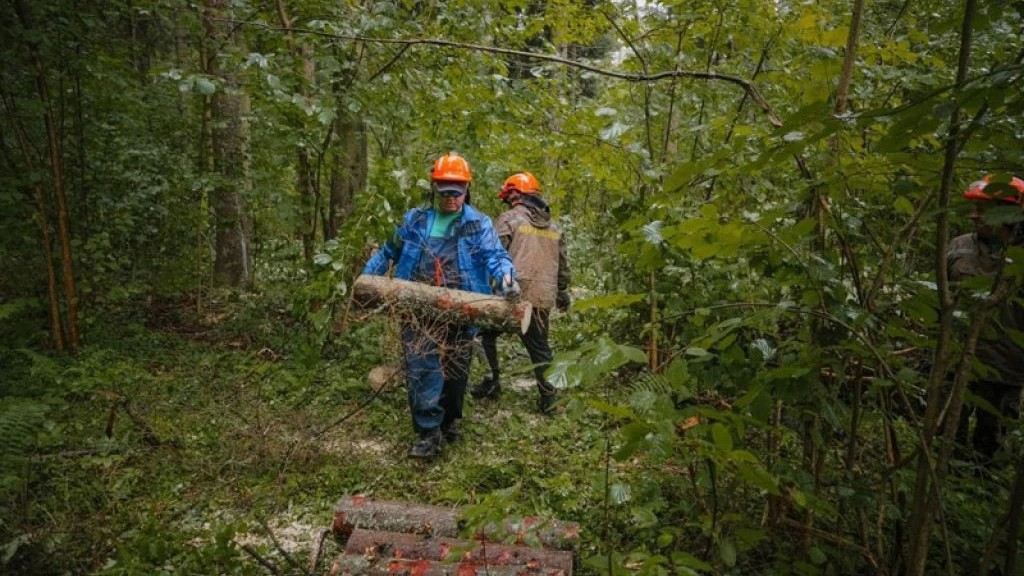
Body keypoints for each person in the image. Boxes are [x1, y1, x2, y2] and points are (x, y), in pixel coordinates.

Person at [363, 152, 520, 459]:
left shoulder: (479, 223)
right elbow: (388, 251)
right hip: (418, 306)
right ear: (433, 187)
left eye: (457, 189)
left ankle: (449, 420)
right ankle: (427, 432)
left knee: (456, 371)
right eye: (445, 189)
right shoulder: (415, 221)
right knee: (422, 368)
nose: (451, 196)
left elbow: (495, 256)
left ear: (467, 188)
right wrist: (367, 278)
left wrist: (506, 278)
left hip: (464, 307)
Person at [470, 171, 570, 414]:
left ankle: (491, 382)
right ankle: (549, 399)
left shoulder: (509, 220)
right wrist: (562, 289)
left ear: (514, 195)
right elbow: (563, 263)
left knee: (483, 335)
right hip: (541, 296)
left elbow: (491, 254)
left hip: (509, 295)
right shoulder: (554, 225)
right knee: (539, 347)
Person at [948, 175, 1024, 461]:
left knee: (991, 447)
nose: (975, 216)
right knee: (946, 435)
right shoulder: (959, 245)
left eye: (984, 209)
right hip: (957, 359)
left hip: (1006, 368)